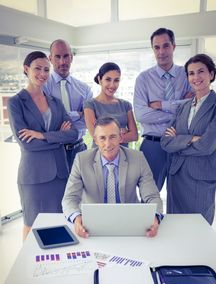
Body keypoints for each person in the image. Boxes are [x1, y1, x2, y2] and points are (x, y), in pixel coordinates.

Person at [7, 51, 79, 240]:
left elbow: (73, 134)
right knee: (31, 226)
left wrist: (42, 135)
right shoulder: (16, 103)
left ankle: (55, 267)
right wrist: (58, 137)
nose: (42, 73)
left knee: (59, 224)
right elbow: (27, 144)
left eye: (46, 69)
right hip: (34, 176)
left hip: (59, 174)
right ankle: (28, 267)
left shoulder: (55, 102)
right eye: (37, 68)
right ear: (26, 69)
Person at [62, 117, 163, 238]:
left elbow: (152, 196)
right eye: (102, 138)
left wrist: (155, 217)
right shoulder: (81, 160)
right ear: (95, 140)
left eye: (112, 137)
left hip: (130, 224)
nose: (108, 144)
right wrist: (77, 219)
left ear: (120, 137)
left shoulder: (138, 158)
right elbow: (70, 198)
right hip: (92, 226)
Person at [161, 54, 216, 224]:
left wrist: (179, 139)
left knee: (199, 226)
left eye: (201, 71)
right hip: (177, 174)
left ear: (211, 74)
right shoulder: (183, 107)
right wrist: (192, 138)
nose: (196, 77)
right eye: (191, 73)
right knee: (175, 226)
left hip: (200, 174)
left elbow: (207, 145)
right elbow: (165, 142)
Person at [133, 28, 193, 191]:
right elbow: (141, 114)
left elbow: (193, 108)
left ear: (173, 46)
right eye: (156, 47)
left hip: (180, 144)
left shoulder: (187, 74)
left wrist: (162, 105)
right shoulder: (143, 79)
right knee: (149, 196)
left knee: (180, 195)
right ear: (152, 49)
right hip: (153, 146)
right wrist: (179, 108)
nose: (161, 52)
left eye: (165, 46)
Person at [44, 39, 93, 171]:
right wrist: (77, 114)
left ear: (71, 57)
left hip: (80, 150)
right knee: (57, 192)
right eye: (57, 57)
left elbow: (89, 122)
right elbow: (48, 122)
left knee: (82, 191)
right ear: (50, 58)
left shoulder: (85, 89)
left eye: (66, 56)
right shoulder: (43, 88)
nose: (62, 62)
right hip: (54, 151)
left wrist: (61, 125)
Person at [84, 62, 138, 146]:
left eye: (116, 80)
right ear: (99, 79)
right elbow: (96, 137)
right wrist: (121, 134)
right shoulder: (90, 105)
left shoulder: (126, 105)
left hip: (123, 155)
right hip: (100, 155)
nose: (112, 85)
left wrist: (108, 135)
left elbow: (134, 135)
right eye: (108, 79)